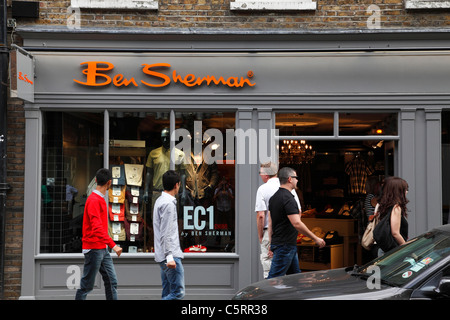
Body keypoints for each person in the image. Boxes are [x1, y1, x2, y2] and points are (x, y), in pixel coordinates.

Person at [267, 167, 326, 279]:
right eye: (296, 178)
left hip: (284, 244)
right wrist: (316, 238)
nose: (297, 180)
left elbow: (271, 224)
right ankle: (261, 297)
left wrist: (271, 243)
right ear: (290, 179)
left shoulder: (274, 198)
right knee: (273, 280)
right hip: (285, 246)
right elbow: (297, 223)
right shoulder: (288, 198)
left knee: (295, 279)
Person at [75, 168, 123, 300]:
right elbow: (97, 228)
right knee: (86, 286)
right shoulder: (94, 200)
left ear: (95, 180)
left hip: (102, 248)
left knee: (112, 281)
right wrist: (114, 245)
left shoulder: (98, 199)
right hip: (94, 249)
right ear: (109, 183)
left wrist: (108, 245)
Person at [254, 162, 301, 279]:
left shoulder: (263, 189)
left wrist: (260, 236)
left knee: (270, 273)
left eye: (260, 173)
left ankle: (270, 296)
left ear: (266, 174)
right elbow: (298, 211)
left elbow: (261, 215)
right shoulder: (288, 186)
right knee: (291, 274)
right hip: (288, 236)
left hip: (270, 233)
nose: (260, 175)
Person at [153, 170, 185, 300]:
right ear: (177, 185)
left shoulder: (160, 200)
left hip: (163, 255)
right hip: (170, 256)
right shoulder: (168, 204)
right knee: (178, 293)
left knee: (167, 293)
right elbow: (166, 233)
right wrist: (169, 257)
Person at [375, 176, 409, 256]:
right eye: (405, 189)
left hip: (384, 249)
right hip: (393, 251)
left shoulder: (382, 206)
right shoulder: (396, 207)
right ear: (398, 191)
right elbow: (395, 233)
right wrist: (406, 247)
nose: (406, 192)